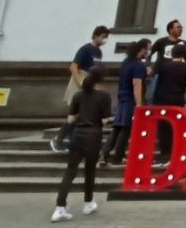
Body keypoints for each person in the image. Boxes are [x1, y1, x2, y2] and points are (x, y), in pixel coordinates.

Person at [51, 68, 112, 223]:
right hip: (93, 136)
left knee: (70, 172)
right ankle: (88, 203)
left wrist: (82, 115)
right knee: (90, 171)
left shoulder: (78, 95)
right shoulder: (105, 97)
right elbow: (105, 120)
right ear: (101, 81)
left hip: (77, 135)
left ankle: (59, 208)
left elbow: (70, 119)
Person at [51, 25, 108, 153]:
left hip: (90, 83)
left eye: (106, 38)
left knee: (82, 115)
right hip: (80, 82)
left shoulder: (99, 52)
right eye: (103, 37)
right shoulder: (85, 49)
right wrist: (81, 81)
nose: (104, 40)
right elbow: (73, 66)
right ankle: (58, 140)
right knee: (75, 114)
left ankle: (72, 143)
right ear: (96, 36)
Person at [101, 38, 150, 166]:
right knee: (125, 128)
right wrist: (139, 104)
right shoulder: (139, 65)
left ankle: (104, 153)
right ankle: (118, 156)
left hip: (122, 96)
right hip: (131, 99)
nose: (148, 52)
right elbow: (137, 84)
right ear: (141, 50)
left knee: (117, 126)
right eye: (147, 49)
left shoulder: (126, 62)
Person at [152, 40, 186, 162]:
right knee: (176, 125)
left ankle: (164, 152)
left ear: (172, 54)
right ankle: (176, 150)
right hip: (178, 97)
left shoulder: (163, 67)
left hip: (162, 97)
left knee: (163, 126)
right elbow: (185, 82)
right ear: (183, 55)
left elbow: (158, 81)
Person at [147, 19, 186, 104]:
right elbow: (149, 54)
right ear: (171, 29)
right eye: (178, 27)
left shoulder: (183, 42)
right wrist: (148, 66)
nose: (181, 29)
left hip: (176, 75)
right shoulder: (161, 41)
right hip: (160, 73)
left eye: (181, 27)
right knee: (153, 95)